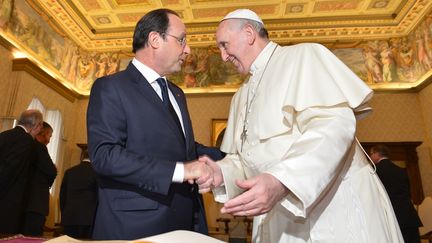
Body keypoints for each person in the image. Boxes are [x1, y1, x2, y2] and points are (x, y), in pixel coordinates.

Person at [197, 9, 404, 243]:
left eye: (225, 45)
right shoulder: (240, 95)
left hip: (332, 209)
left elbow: (333, 128)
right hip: (277, 216)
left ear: (248, 34)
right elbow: (247, 159)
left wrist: (282, 181)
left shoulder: (303, 56)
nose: (223, 56)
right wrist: (221, 172)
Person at [86, 8, 224, 240]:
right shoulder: (111, 87)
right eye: (182, 40)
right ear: (154, 39)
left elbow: (186, 148)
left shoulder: (177, 93)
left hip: (184, 222)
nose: (188, 49)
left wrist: (233, 158)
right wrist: (182, 170)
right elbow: (105, 155)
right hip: (135, 226)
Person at [0, 109, 43, 234]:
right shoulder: (26, 140)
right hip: (9, 201)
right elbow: (10, 170)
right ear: (36, 125)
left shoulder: (4, 134)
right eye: (41, 126)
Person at [370, 145, 423, 243]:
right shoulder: (401, 170)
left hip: (391, 217)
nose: (370, 156)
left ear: (377, 153)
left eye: (371, 153)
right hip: (408, 216)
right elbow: (408, 193)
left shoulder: (374, 172)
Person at [22, 122, 57, 236]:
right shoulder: (40, 147)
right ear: (44, 133)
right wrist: (54, 169)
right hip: (35, 202)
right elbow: (51, 171)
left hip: (23, 200)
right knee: (32, 237)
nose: (49, 140)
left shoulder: (27, 145)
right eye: (50, 136)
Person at [60, 149, 98, 239]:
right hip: (89, 218)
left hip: (69, 217)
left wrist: (64, 214)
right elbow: (98, 197)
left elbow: (62, 196)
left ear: (81, 157)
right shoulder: (96, 173)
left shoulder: (69, 172)